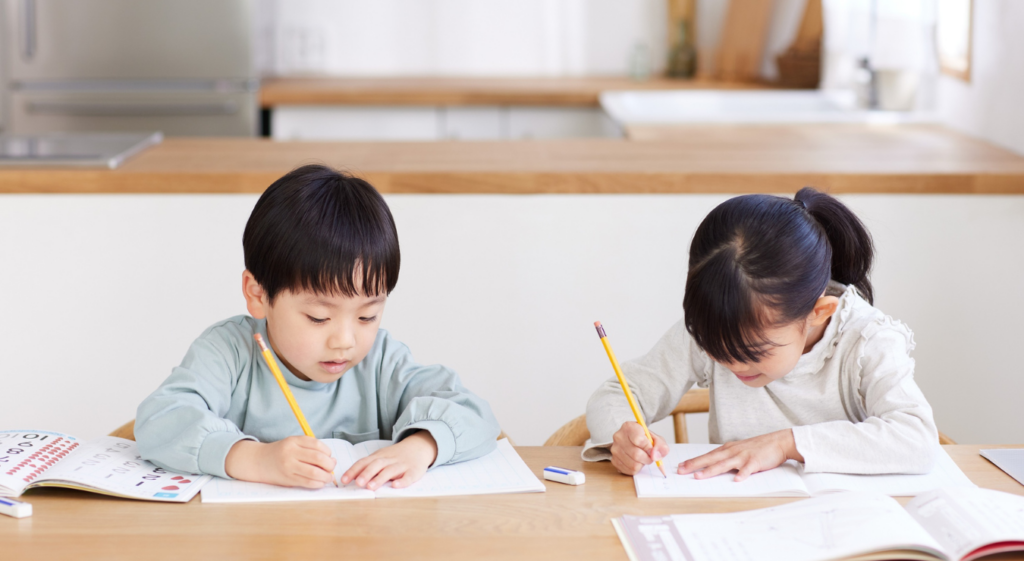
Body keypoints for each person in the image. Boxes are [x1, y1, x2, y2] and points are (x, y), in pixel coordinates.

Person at [136, 165, 500, 490]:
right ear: (258, 293)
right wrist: (254, 459)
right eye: (318, 318)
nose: (344, 341)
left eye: (367, 317)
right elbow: (159, 420)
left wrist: (420, 447)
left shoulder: (382, 361)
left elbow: (477, 416)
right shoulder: (230, 352)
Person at [583, 187, 938, 480]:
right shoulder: (716, 332)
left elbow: (917, 439)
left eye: (753, 350)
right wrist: (623, 432)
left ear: (818, 312)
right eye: (715, 346)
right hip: (736, 520)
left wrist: (786, 444)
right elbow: (616, 392)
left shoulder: (866, 341)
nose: (730, 362)